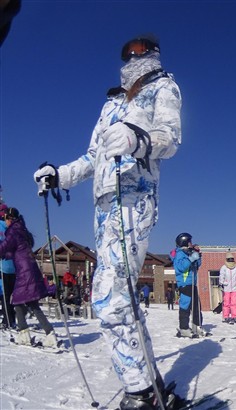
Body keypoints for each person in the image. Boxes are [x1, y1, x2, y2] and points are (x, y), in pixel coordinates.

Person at [32, 35, 182, 409]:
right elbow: (92, 156)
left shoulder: (163, 88)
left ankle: (140, 392)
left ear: (153, 54)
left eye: (141, 49)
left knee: (110, 299)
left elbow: (171, 138)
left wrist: (136, 138)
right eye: (126, 52)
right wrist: (59, 175)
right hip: (104, 205)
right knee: (123, 300)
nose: (133, 56)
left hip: (134, 199)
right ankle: (151, 385)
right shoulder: (111, 103)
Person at [0, 208, 58, 348]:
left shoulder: (13, 231)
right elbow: (17, 251)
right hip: (28, 269)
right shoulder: (22, 230)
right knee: (19, 301)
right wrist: (5, 255)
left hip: (25, 272)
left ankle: (47, 334)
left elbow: (4, 247)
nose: (5, 221)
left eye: (6, 218)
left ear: (10, 218)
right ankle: (25, 332)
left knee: (27, 302)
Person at [172, 232, 204, 337]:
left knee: (196, 306)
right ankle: (184, 327)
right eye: (190, 241)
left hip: (192, 283)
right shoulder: (179, 254)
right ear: (185, 242)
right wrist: (191, 259)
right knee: (185, 305)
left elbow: (197, 265)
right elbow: (181, 267)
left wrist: (197, 256)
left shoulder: (189, 253)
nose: (191, 243)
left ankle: (197, 326)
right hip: (185, 284)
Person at [0, 203, 17, 329]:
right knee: (10, 295)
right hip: (14, 265)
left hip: (5, 265)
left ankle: (7, 320)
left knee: (6, 295)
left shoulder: (4, 226)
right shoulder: (16, 227)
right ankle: (11, 318)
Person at [219, 252, 236, 324]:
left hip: (234, 288)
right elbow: (221, 276)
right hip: (226, 288)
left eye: (232, 259)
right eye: (229, 259)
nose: (231, 261)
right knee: (226, 303)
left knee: (234, 303)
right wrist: (221, 283)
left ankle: (235, 316)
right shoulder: (224, 267)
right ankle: (226, 316)